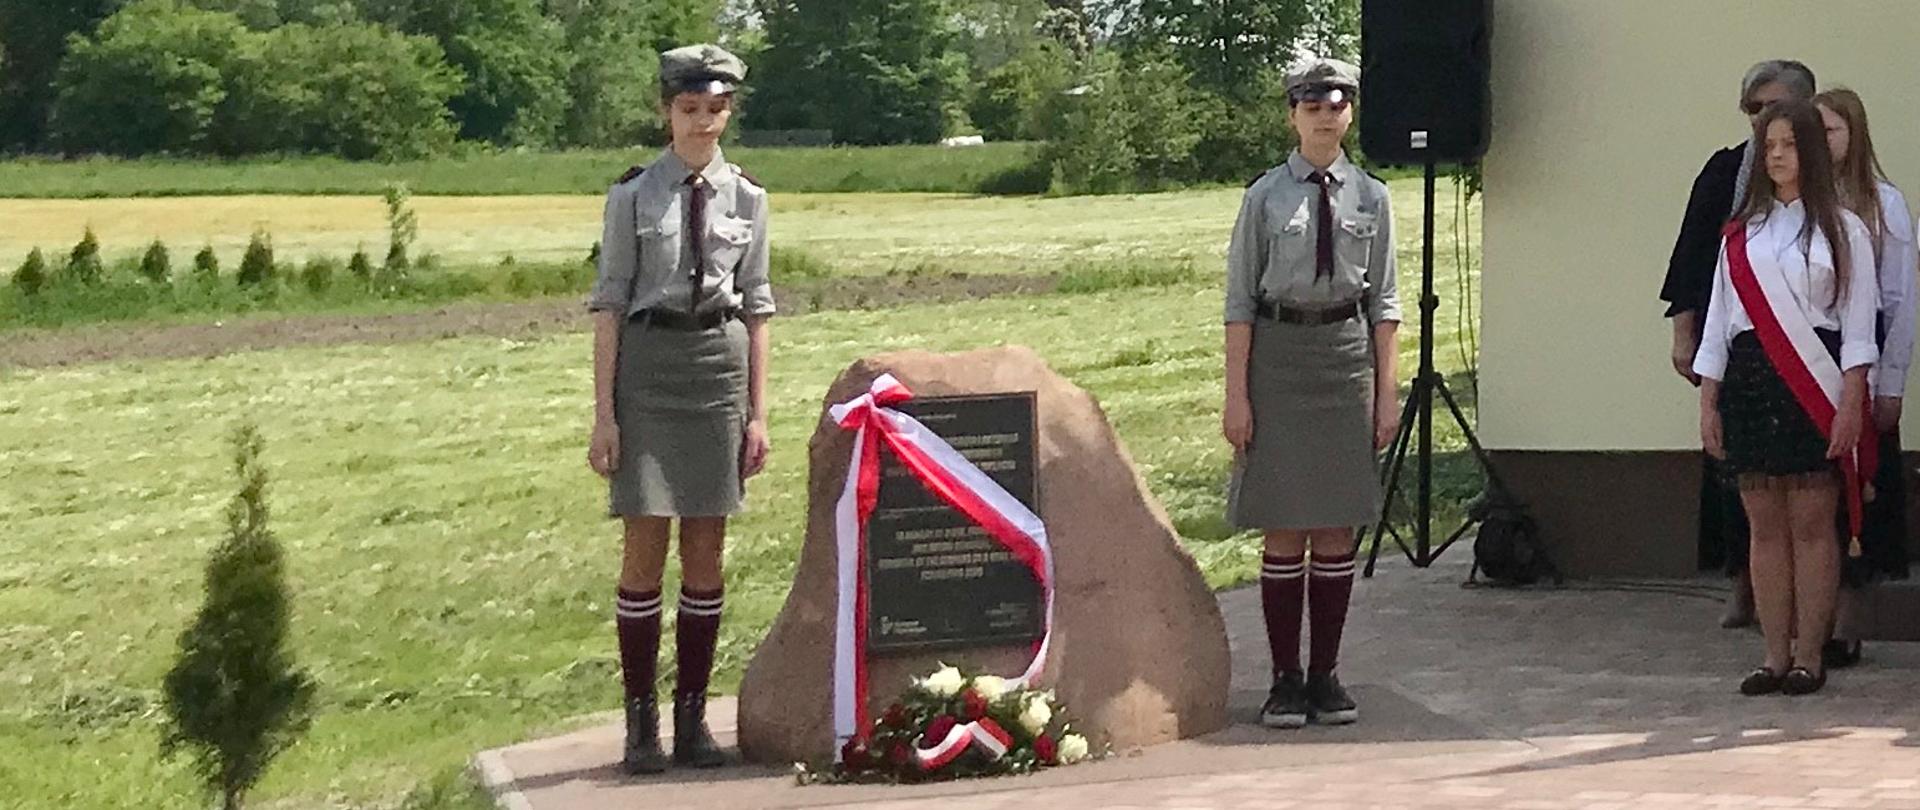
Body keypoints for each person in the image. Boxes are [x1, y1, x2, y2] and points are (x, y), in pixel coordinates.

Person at [584, 43, 774, 773]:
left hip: (716, 371)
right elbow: (608, 305)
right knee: (643, 549)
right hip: (650, 369)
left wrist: (758, 414)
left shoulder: (749, 198)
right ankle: (641, 726)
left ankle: (694, 721)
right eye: (689, 109)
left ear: (730, 111)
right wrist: (604, 415)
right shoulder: (633, 196)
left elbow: (758, 308)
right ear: (667, 110)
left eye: (716, 109)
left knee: (706, 551)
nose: (703, 123)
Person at [1223, 57, 1401, 729]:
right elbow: (1240, 302)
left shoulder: (1371, 197)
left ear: (1349, 111)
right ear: (1293, 114)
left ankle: (1326, 674)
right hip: (1279, 355)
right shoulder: (1265, 197)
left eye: (1336, 104)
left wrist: (1385, 394)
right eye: (1311, 105)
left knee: (1334, 527)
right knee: (1284, 526)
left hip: (1342, 357)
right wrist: (1236, 396)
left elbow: (1383, 302)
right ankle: (1283, 679)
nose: (1325, 115)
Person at [1694, 99, 1878, 696]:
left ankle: (1809, 655)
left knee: (1811, 522)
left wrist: (1852, 402)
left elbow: (1857, 329)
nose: (1776, 155)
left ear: (1814, 152)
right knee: (1762, 525)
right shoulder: (1740, 235)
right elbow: (1720, 323)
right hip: (1750, 381)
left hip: (1815, 382)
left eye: (1789, 144)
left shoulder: (1845, 229)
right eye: (1768, 145)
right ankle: (1772, 655)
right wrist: (1708, 401)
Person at [1660, 60, 1818, 628]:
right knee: (1735, 472)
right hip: (1738, 348)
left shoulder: (1824, 177)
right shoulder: (1724, 171)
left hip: (1808, 354)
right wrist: (1685, 334)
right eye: (1752, 110)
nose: (1760, 121)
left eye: (1772, 108)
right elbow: (1691, 256)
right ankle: (1742, 581)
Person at [1813, 87, 1915, 667]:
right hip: (1814, 363)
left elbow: (1900, 300)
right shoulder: (1798, 206)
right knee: (1815, 497)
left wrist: (1892, 379)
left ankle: (1847, 621)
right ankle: (1812, 619)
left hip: (1867, 360)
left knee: (1859, 496)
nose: (1824, 141)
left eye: (1832, 130)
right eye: (1816, 131)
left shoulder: (1884, 205)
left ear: (1854, 135)